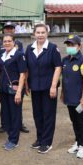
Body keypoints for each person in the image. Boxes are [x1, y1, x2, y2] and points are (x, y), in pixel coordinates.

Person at [25, 23, 61, 154]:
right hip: (35, 87)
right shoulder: (29, 48)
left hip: (48, 88)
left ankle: (47, 142)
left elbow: (58, 67)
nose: (40, 35)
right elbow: (27, 68)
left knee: (48, 115)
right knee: (37, 115)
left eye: (43, 32)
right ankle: (40, 139)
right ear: (34, 34)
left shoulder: (52, 48)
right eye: (38, 32)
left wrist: (53, 86)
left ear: (47, 34)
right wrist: (26, 84)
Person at [0, 21, 29, 134]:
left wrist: (23, 87)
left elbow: (22, 70)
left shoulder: (19, 49)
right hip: (4, 84)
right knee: (5, 109)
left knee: (16, 108)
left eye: (11, 28)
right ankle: (5, 125)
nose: (9, 30)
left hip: (15, 84)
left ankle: (17, 128)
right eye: (7, 28)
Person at [61, 35, 83, 159]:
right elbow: (64, 79)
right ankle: (78, 142)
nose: (70, 47)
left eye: (73, 45)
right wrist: (62, 93)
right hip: (69, 98)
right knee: (74, 121)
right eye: (68, 45)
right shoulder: (65, 60)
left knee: (82, 121)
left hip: (80, 99)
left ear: (79, 46)